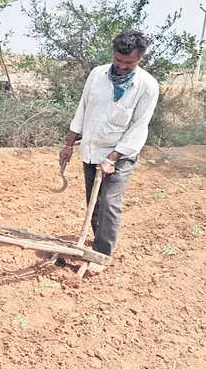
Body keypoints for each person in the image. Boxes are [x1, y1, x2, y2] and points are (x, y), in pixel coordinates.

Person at [59, 30, 159, 273]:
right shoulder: (97, 75)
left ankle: (102, 254)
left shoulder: (147, 86)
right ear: (113, 55)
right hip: (91, 150)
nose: (123, 66)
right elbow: (82, 110)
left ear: (139, 59)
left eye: (129, 63)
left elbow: (138, 127)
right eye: (119, 61)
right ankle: (96, 240)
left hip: (120, 155)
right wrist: (69, 144)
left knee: (109, 203)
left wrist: (112, 158)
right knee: (92, 203)